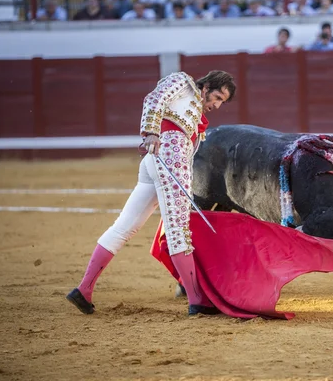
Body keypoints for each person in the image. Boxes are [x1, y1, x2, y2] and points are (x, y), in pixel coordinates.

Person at [66, 70, 237, 317]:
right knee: (178, 228)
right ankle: (197, 300)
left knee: (124, 227)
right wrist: (151, 133)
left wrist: (154, 137)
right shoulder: (183, 83)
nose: (217, 105)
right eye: (217, 97)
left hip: (156, 160)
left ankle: (83, 290)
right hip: (169, 158)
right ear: (206, 86)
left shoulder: (195, 112)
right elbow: (153, 99)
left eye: (222, 102)